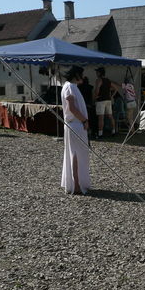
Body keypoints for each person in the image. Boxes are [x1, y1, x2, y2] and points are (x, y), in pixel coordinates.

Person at [61, 65, 91, 195]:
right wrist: (84, 120)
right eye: (81, 74)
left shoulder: (72, 86)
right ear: (76, 75)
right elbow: (72, 108)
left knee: (78, 154)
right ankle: (76, 185)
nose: (83, 77)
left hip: (76, 125)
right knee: (75, 154)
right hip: (75, 124)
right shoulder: (69, 87)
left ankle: (79, 182)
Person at [93, 67, 116, 137]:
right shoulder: (108, 80)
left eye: (97, 72)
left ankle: (100, 134)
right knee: (110, 116)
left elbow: (97, 90)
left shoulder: (98, 80)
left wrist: (95, 97)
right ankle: (114, 131)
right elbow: (115, 88)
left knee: (101, 117)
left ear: (99, 73)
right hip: (108, 100)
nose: (96, 73)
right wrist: (111, 96)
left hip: (101, 100)